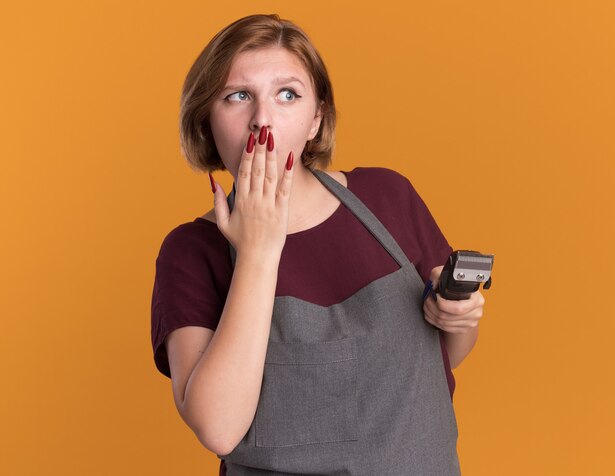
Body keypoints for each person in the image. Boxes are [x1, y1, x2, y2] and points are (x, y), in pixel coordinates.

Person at [151, 13, 485, 475]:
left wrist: (457, 318)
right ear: (207, 122)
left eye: (287, 94)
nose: (261, 119)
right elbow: (219, 428)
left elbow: (444, 356)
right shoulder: (191, 251)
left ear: (316, 119)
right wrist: (259, 252)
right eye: (238, 96)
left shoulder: (389, 198)